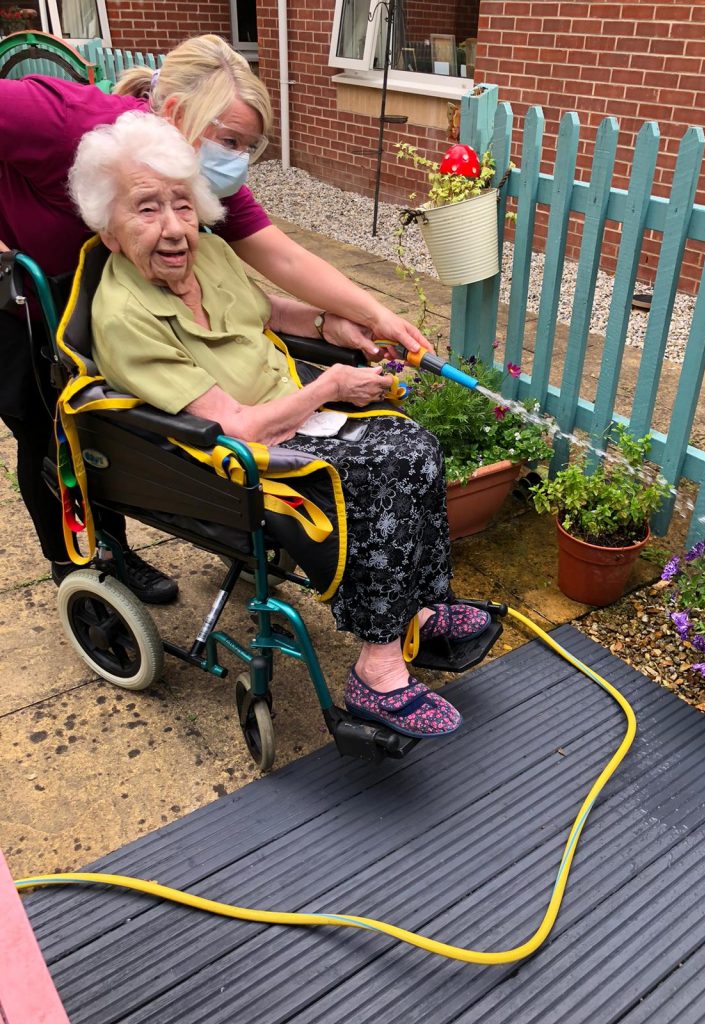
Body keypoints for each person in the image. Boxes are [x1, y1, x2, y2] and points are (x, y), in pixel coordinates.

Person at [67, 111, 492, 740]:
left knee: (417, 445)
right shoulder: (125, 317)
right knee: (378, 479)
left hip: (296, 413)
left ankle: (422, 612)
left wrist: (330, 325)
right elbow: (238, 426)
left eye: (182, 204)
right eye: (147, 209)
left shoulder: (209, 252)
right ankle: (376, 670)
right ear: (108, 229)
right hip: (234, 456)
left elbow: (265, 311)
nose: (174, 227)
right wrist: (331, 385)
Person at [0, 34, 426, 604]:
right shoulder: (63, 121)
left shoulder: (189, 183)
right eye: (230, 141)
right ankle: (84, 558)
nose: (238, 161)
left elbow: (283, 259)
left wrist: (373, 316)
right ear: (177, 115)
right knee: (48, 432)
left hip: (130, 282)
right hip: (24, 297)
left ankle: (209, 530)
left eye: (248, 147)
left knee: (121, 430)